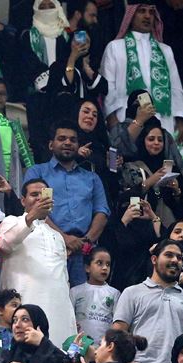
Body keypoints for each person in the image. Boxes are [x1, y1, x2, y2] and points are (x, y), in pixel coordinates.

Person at [23, 120, 110, 286]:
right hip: (47, 247)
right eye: (62, 139)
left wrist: (86, 241)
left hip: (84, 252)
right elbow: (33, 208)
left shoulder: (91, 177)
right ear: (51, 145)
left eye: (73, 140)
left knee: (82, 307)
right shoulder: (37, 172)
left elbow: (102, 212)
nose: (68, 143)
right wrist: (63, 238)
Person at [0, 178, 76, 346]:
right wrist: (32, 217)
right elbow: (5, 243)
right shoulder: (11, 221)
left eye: (44, 194)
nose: (40, 199)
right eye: (34, 195)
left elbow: (63, 279)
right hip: (23, 306)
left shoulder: (58, 236)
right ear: (23, 200)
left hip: (58, 310)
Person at [101, 2, 183, 138]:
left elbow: (176, 87)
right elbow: (107, 86)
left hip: (163, 120)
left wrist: (181, 120)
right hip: (126, 117)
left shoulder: (165, 50)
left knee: (164, 157)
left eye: (151, 12)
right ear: (131, 15)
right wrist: (111, 118)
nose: (147, 16)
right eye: (141, 11)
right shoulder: (115, 47)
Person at [102, 195, 161, 291]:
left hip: (146, 277)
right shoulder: (112, 228)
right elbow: (112, 246)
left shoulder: (148, 227)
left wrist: (153, 217)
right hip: (122, 277)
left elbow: (161, 242)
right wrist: (124, 221)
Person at [69, 247, 120, 341]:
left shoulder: (114, 293)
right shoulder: (75, 291)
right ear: (87, 268)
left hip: (103, 346)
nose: (105, 268)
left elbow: (117, 322)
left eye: (108, 264)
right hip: (79, 343)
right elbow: (69, 318)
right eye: (99, 263)